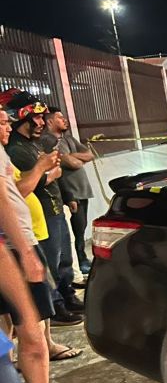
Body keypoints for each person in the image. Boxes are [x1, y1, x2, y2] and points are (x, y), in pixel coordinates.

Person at [0, 107, 83, 383]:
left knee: (6, 329)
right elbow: (6, 198)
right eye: (3, 122)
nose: (7, 126)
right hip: (12, 248)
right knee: (32, 330)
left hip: (14, 244)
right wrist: (26, 251)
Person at [2, 90, 83, 324]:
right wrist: (45, 171)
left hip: (53, 209)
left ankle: (65, 297)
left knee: (62, 260)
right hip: (38, 218)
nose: (41, 123)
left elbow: (53, 176)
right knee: (49, 267)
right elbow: (22, 188)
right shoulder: (15, 150)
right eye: (35, 118)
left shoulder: (33, 145)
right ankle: (56, 306)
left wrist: (66, 194)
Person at [40, 108, 94, 276]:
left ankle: (82, 258)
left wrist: (71, 155)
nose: (64, 120)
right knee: (74, 231)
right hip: (70, 192)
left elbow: (90, 155)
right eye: (60, 118)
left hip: (83, 190)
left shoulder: (68, 138)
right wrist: (73, 158)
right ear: (49, 121)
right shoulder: (47, 141)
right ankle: (78, 263)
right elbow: (74, 164)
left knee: (82, 226)